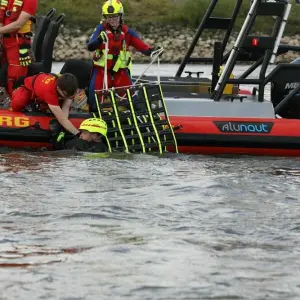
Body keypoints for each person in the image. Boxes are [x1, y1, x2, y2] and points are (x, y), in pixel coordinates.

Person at [87, 0, 160, 112]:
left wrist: (153, 50)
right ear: (105, 17)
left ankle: (138, 117)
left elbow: (143, 48)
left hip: (120, 72)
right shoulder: (100, 29)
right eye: (108, 17)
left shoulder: (127, 32)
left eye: (114, 16)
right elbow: (90, 46)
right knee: (94, 99)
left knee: (133, 100)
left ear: (120, 16)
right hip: (102, 71)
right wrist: (100, 39)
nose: (112, 19)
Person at [11, 72, 81, 136]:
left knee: (57, 109)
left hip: (49, 89)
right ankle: (17, 93)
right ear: (58, 88)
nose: (68, 97)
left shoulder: (70, 89)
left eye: (70, 95)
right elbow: (62, 119)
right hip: (29, 88)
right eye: (66, 95)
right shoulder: (50, 91)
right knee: (17, 104)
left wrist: (63, 127)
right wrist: (78, 133)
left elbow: (66, 108)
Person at [0, 0, 37, 96]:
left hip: (18, 43)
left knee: (15, 76)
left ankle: (15, 100)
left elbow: (19, 24)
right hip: (4, 41)